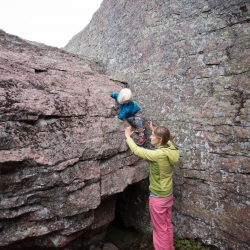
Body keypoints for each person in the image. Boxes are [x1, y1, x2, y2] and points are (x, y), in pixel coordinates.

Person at [124, 121, 180, 250]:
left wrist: (128, 137)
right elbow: (168, 140)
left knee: (159, 230)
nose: (150, 137)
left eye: (153, 135)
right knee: (167, 225)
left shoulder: (157, 155)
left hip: (158, 197)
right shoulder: (171, 149)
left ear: (159, 140)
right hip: (167, 195)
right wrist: (155, 129)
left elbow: (138, 151)